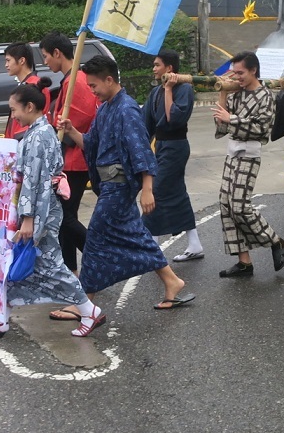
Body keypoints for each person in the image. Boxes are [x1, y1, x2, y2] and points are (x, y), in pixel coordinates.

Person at [58, 56, 194, 315]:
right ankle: (171, 281)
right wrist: (73, 131)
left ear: (110, 80)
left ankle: (84, 303)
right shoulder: (106, 108)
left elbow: (141, 149)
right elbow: (92, 145)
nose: (93, 91)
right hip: (110, 185)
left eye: (95, 85)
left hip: (119, 186)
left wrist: (147, 188)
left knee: (96, 238)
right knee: (138, 237)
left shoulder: (127, 109)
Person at [0, 84, 98, 338]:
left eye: (14, 109)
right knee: (16, 264)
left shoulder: (39, 136)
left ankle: (88, 309)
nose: (12, 115)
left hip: (40, 212)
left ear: (29, 107)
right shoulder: (39, 132)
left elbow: (33, 180)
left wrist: (27, 219)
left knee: (47, 265)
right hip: (42, 208)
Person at [214, 51, 284, 278]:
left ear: (253, 70)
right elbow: (222, 125)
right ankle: (244, 261)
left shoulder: (265, 95)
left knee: (240, 205)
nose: (237, 77)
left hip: (250, 153)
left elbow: (261, 127)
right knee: (226, 204)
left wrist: (232, 119)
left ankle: (276, 241)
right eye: (234, 73)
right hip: (232, 153)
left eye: (241, 72)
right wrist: (224, 94)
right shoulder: (237, 93)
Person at [39, 32, 99, 271]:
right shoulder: (69, 79)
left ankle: (96, 257)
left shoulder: (77, 79)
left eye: (46, 56)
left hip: (77, 158)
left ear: (57, 53)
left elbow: (84, 116)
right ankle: (69, 268)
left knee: (63, 216)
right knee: (64, 215)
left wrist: (61, 125)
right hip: (71, 157)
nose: (45, 62)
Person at [142, 50, 205, 263]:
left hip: (176, 146)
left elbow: (174, 118)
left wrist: (169, 89)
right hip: (160, 146)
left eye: (157, 65)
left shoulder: (184, 88)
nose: (154, 69)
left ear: (169, 68)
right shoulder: (155, 92)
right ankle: (194, 243)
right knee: (177, 192)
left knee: (156, 191)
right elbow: (146, 124)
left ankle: (152, 245)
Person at [4, 42, 51, 139]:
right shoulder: (26, 84)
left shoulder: (35, 86)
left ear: (22, 60)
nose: (6, 65)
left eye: (8, 60)